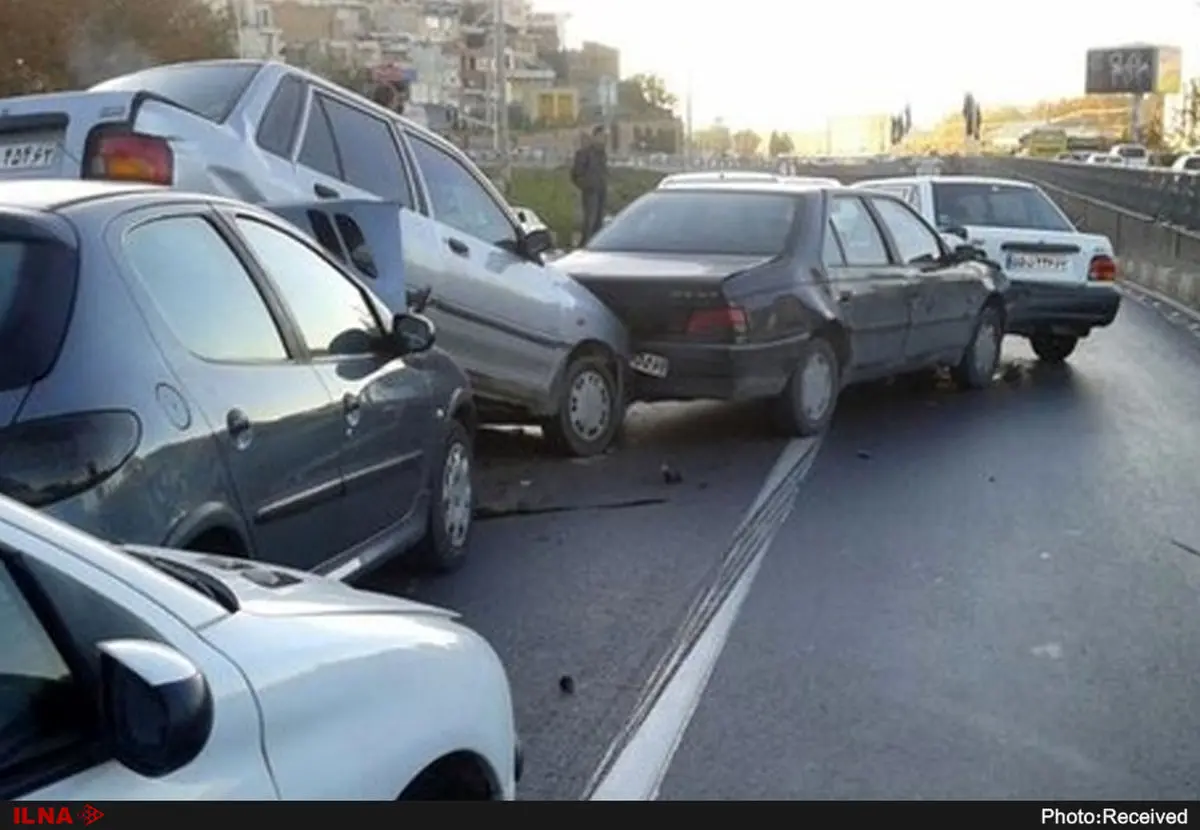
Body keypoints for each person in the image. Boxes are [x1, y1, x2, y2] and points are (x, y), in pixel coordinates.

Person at [571, 125, 609, 244]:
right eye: (602, 136)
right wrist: (587, 186)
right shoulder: (584, 153)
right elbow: (576, 174)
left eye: (606, 137)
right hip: (591, 192)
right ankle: (584, 245)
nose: (604, 139)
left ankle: (596, 244)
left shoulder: (602, 154)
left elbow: (603, 171)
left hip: (601, 190)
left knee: (599, 221)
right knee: (590, 221)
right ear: (595, 136)